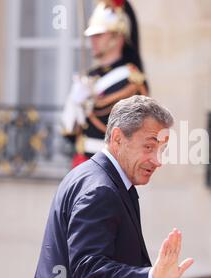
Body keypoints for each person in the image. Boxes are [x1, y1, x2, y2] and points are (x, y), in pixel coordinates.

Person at [27, 95, 194, 278]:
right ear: (117, 138)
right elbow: (88, 267)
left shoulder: (97, 177)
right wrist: (151, 277)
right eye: (149, 147)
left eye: (162, 149)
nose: (157, 160)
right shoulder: (100, 190)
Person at [62, 0, 148, 168]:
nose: (93, 40)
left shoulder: (131, 80)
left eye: (99, 35)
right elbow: (68, 131)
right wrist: (75, 103)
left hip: (109, 165)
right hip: (81, 162)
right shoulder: (89, 76)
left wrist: (89, 102)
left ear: (117, 37)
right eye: (92, 35)